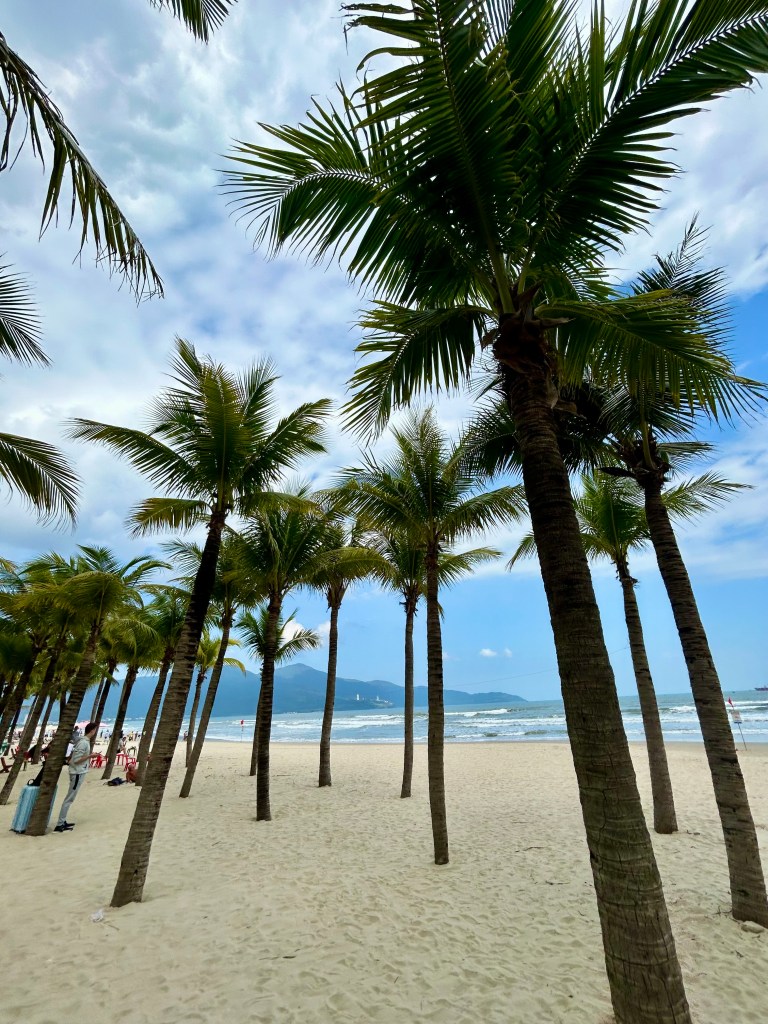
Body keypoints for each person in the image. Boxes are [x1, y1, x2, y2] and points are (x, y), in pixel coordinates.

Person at [54, 722, 97, 833]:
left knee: (70, 798)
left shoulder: (83, 741)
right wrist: (90, 756)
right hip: (77, 773)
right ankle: (60, 824)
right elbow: (76, 760)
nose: (95, 732)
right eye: (95, 730)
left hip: (78, 772)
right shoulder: (83, 743)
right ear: (92, 730)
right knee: (69, 798)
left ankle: (62, 821)